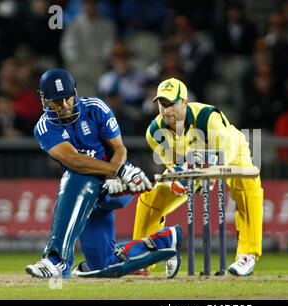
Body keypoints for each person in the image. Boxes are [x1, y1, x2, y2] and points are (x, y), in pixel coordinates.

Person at [25, 68, 183, 279]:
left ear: (75, 92)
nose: (63, 105)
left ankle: (56, 260)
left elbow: (119, 149)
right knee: (104, 265)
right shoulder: (44, 127)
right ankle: (165, 240)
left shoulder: (96, 107)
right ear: (44, 100)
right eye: (57, 101)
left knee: (73, 177)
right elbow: (75, 160)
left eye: (67, 98)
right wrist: (117, 170)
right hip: (92, 193)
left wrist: (116, 175)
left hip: (117, 187)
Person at [132, 78, 264, 276]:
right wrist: (178, 178)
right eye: (162, 104)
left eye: (171, 104)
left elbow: (223, 155)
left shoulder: (206, 117)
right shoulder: (154, 132)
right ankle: (142, 258)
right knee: (152, 199)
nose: (166, 110)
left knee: (247, 189)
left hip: (231, 152)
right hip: (193, 165)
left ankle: (248, 254)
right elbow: (175, 166)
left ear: (184, 102)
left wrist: (207, 176)